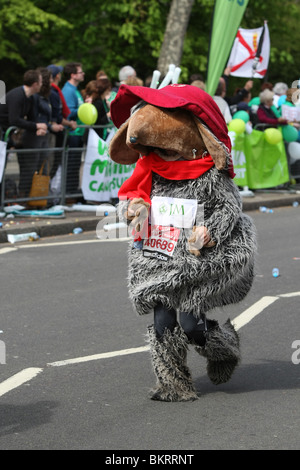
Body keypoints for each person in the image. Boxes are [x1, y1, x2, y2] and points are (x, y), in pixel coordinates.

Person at [0, 69, 48, 198]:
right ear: (35, 84)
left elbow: (32, 118)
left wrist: (38, 128)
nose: (42, 84)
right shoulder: (17, 96)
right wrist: (36, 126)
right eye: (40, 82)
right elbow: (14, 119)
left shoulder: (31, 98)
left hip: (8, 133)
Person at [47, 64, 77, 179]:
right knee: (52, 165)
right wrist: (69, 123)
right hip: (54, 134)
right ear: (57, 76)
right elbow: (57, 116)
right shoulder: (53, 93)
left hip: (57, 132)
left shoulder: (55, 91)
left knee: (54, 165)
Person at [62, 62, 86, 196]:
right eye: (80, 72)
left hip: (78, 132)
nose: (83, 74)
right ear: (73, 75)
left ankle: (72, 192)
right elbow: (68, 112)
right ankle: (69, 193)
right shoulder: (68, 90)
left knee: (76, 164)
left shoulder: (75, 90)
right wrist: (83, 108)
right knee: (71, 164)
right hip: (72, 133)